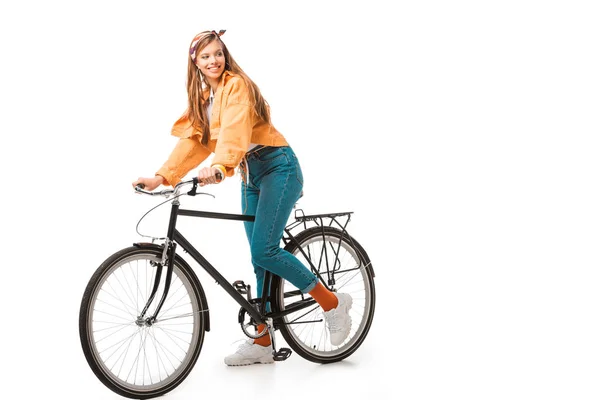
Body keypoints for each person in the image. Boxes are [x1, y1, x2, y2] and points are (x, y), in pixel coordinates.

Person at [132, 30, 352, 366]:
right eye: (205, 56)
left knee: (265, 249)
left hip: (279, 167)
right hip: (250, 173)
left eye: (218, 53)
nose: (213, 60)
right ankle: (263, 341)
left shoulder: (236, 86)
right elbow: (194, 142)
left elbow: (235, 131)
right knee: (259, 258)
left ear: (225, 55)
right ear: (195, 62)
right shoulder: (204, 99)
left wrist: (219, 167)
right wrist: (162, 177)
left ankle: (333, 303)